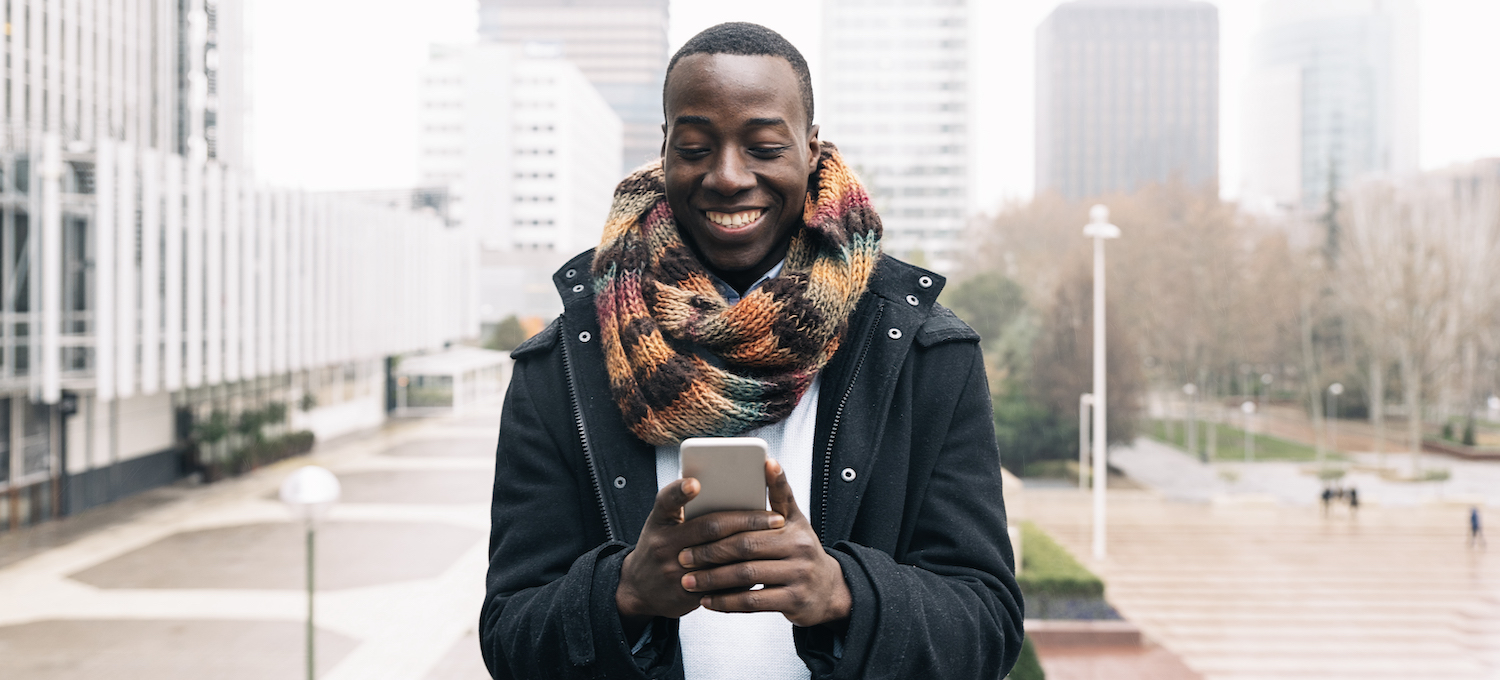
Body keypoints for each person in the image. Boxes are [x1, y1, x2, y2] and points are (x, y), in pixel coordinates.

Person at [478, 22, 1023, 680]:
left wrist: (840, 592)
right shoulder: (565, 366)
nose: (728, 176)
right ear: (664, 151)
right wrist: (623, 592)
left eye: (764, 146)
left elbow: (988, 627)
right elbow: (510, 639)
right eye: (695, 147)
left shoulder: (925, 355)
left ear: (812, 148)